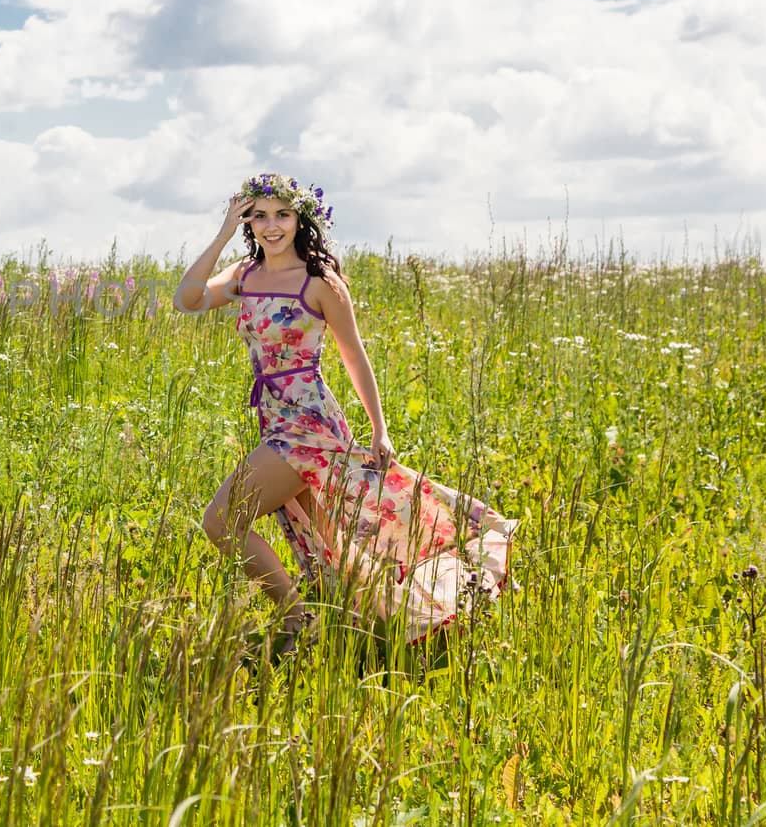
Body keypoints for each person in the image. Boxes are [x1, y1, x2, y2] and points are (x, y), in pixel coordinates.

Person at [176, 173, 517, 656]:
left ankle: (297, 620)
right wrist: (223, 233)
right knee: (333, 546)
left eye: (283, 215)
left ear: (300, 219)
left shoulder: (320, 283)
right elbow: (186, 299)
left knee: (222, 522)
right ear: (248, 220)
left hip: (309, 424)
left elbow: (354, 356)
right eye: (261, 216)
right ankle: (367, 635)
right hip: (274, 420)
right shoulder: (244, 275)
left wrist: (380, 429)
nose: (272, 227)